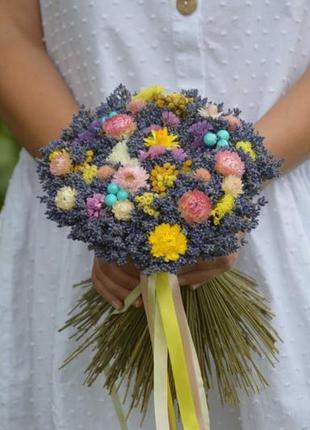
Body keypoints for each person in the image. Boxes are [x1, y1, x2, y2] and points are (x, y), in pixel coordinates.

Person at [0, 1, 309, 429]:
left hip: (282, 214)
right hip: (81, 223)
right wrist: (98, 191)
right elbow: (9, 34)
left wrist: (235, 179)